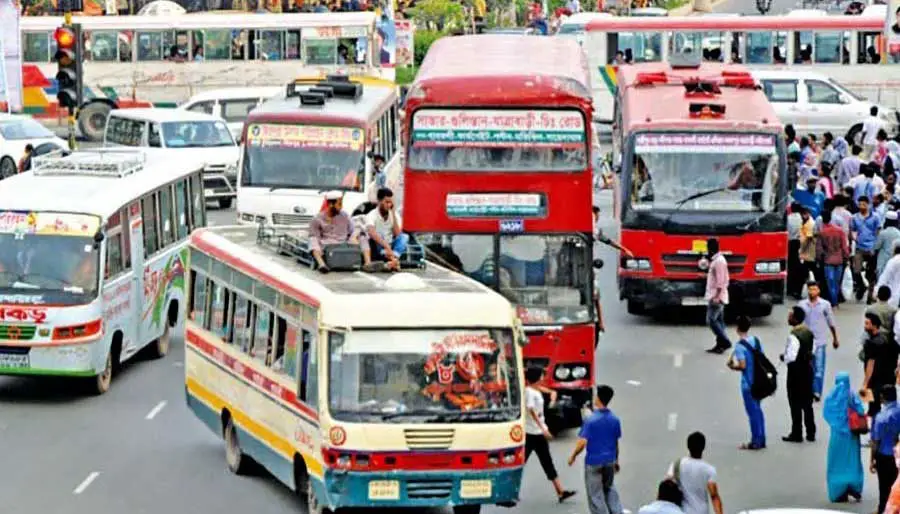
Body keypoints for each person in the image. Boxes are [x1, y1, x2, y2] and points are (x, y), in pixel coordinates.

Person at [524, 367, 576, 503]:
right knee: (523, 462)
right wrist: (543, 428)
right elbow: (530, 409)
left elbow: (540, 389)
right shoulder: (530, 393)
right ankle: (509, 491)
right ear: (537, 378)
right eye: (541, 376)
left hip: (537, 432)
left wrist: (552, 392)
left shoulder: (533, 389)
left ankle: (560, 491)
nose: (543, 378)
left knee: (546, 462)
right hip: (532, 433)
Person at [568, 385, 622, 514]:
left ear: (598, 398)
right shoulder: (615, 419)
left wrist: (573, 455)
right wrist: (617, 460)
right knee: (609, 488)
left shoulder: (591, 420)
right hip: (610, 460)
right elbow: (616, 442)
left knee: (595, 495)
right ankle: (617, 511)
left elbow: (582, 442)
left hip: (593, 462)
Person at [824, 372, 866, 502]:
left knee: (836, 462)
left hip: (837, 437)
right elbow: (861, 411)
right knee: (853, 461)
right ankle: (854, 486)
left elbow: (827, 413)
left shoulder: (831, 398)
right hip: (852, 437)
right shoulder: (852, 396)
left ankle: (838, 490)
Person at [727, 316, 766, 450]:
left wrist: (733, 367)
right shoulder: (755, 341)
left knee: (752, 413)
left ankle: (755, 441)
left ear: (737, 329)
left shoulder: (739, 346)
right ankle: (762, 438)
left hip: (748, 384)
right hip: (760, 381)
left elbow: (743, 365)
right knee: (758, 411)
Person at [308, 191, 370, 273]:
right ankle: (322, 265)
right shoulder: (317, 219)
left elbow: (355, 228)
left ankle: (368, 264)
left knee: (362, 236)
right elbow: (315, 238)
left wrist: (354, 236)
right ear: (331, 204)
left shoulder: (345, 216)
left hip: (344, 245)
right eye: (339, 204)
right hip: (327, 248)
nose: (341, 207)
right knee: (312, 239)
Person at [665, 432, 723, 514]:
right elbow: (714, 496)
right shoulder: (709, 470)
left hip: (679, 511)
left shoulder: (676, 465)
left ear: (688, 446)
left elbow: (666, 487)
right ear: (703, 447)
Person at [799, 281, 839, 400]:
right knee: (806, 368)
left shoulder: (825, 305)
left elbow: (831, 322)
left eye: (814, 289)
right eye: (810, 289)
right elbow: (797, 322)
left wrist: (835, 338)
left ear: (819, 291)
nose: (812, 292)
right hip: (806, 342)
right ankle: (807, 390)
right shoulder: (802, 305)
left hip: (820, 341)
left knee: (819, 368)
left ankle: (817, 392)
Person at [781, 306, 816, 442]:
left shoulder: (794, 335)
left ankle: (797, 432)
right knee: (807, 402)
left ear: (795, 318)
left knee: (794, 402)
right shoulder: (808, 332)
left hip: (796, 372)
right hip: (807, 370)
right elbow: (813, 349)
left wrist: (783, 357)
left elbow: (791, 356)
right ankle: (811, 432)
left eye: (790, 315)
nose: (788, 317)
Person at [862, 313, 898, 418]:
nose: (865, 326)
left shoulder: (870, 343)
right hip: (889, 380)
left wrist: (865, 383)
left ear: (874, 326)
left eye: (867, 324)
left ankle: (875, 431)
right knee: (891, 407)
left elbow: (870, 364)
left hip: (873, 381)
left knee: (873, 410)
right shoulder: (889, 341)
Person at [364, 187, 409, 272]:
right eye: (386, 202)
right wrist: (386, 245)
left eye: (390, 202)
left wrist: (393, 214)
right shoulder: (371, 215)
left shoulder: (393, 214)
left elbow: (397, 234)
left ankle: (392, 261)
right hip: (379, 246)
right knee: (378, 234)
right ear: (379, 201)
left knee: (404, 237)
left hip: (391, 248)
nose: (389, 205)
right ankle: (394, 262)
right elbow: (372, 233)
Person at [872, 385, 900, 514]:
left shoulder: (880, 417)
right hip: (898, 456)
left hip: (884, 455)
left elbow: (876, 440)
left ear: (882, 398)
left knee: (883, 486)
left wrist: (872, 459)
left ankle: (883, 509)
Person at [852, 195, 881, 303]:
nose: (861, 206)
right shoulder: (855, 217)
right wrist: (854, 238)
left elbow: (878, 231)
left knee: (871, 273)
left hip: (871, 248)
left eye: (864, 204)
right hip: (859, 247)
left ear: (868, 205)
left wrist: (876, 246)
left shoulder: (875, 217)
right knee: (856, 270)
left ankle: (870, 295)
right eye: (860, 204)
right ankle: (861, 286)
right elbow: (853, 230)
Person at [817, 210, 851, 305]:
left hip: (828, 261)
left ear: (822, 220)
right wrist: (847, 257)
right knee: (836, 283)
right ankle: (835, 301)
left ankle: (833, 301)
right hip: (839, 260)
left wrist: (819, 260)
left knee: (830, 283)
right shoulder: (840, 231)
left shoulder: (822, 232)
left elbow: (819, 250)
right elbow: (844, 247)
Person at [704, 238, 731, 354]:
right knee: (720, 321)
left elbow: (721, 282)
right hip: (717, 295)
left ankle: (725, 341)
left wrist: (716, 296)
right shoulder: (717, 260)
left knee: (711, 320)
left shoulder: (719, 261)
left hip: (716, 297)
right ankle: (720, 345)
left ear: (710, 248)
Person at [877, 213, 900, 277]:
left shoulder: (883, 233)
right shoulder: (899, 233)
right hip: (895, 259)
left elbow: (877, 246)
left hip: (883, 260)